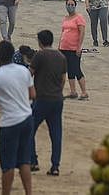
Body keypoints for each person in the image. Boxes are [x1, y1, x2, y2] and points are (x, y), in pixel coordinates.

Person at [0, 41, 35, 195]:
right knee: (24, 160)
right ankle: (28, 193)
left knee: (8, 164)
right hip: (27, 118)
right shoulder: (24, 71)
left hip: (10, 122)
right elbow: (33, 94)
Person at [30, 30, 67, 176]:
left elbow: (29, 73)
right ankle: (55, 166)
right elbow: (63, 79)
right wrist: (57, 90)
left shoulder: (40, 55)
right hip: (57, 99)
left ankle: (33, 161)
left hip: (42, 98)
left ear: (40, 41)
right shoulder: (61, 56)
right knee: (56, 134)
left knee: (30, 130)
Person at [59, 0, 88, 100]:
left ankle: (84, 92)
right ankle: (73, 91)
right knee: (68, 70)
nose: (70, 6)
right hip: (64, 48)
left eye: (72, 4)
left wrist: (79, 47)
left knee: (76, 69)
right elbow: (63, 32)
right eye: (68, 4)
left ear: (75, 6)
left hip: (73, 48)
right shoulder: (66, 18)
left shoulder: (79, 17)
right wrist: (59, 46)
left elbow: (82, 32)